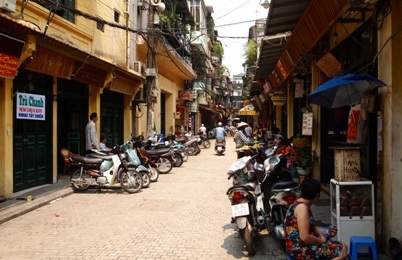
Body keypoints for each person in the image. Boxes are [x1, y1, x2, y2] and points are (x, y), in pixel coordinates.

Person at [284, 178, 348, 259]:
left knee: (343, 246)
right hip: (299, 250)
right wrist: (321, 241)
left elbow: (313, 227)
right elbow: (305, 237)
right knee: (341, 252)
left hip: (304, 245)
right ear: (317, 195)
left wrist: (327, 232)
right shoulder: (302, 208)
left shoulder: (302, 204)